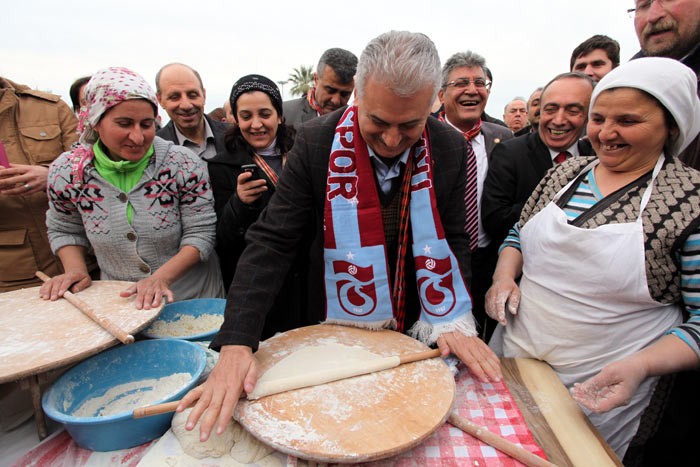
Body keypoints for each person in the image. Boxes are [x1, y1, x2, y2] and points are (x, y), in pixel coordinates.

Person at [179, 30, 502, 441]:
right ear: (358, 98)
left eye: (410, 126)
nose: (391, 140)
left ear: (433, 103)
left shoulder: (450, 149)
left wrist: (452, 317)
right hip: (336, 316)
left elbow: (454, 238)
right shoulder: (317, 141)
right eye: (378, 122)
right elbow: (272, 242)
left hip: (418, 321)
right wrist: (238, 341)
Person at [485, 57, 700, 460]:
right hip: (516, 355)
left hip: (602, 385)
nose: (607, 133)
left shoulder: (689, 200)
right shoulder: (565, 175)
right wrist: (504, 276)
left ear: (671, 126)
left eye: (628, 121)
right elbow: (519, 233)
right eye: (599, 118)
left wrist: (642, 366)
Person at [40, 67, 224, 309]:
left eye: (146, 124)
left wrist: (160, 278)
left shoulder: (182, 164)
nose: (137, 137)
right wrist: (76, 269)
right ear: (95, 121)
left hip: (194, 299)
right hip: (121, 304)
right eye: (124, 124)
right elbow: (65, 228)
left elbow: (201, 232)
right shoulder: (68, 173)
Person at [208, 75, 305, 339]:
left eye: (265, 114)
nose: (256, 124)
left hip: (306, 280)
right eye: (246, 116)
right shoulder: (221, 166)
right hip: (260, 287)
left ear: (279, 116)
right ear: (236, 119)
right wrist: (238, 204)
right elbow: (221, 240)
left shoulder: (302, 154)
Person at [437, 50, 513, 341]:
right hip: (438, 261)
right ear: (442, 94)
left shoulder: (505, 139)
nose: (472, 90)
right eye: (461, 83)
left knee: (481, 334)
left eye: (479, 83)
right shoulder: (422, 138)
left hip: (487, 260)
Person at [481, 73, 594, 251]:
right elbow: (495, 219)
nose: (558, 120)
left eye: (572, 111)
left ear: (589, 116)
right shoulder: (510, 153)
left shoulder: (596, 157)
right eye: (550, 109)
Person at [0, 76, 83, 293]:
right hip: (15, 275)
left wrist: (52, 175)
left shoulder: (50, 108)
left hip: (84, 259)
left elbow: (91, 165)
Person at [155, 63, 229, 161]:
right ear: (160, 100)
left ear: (204, 95)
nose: (186, 105)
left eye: (192, 95)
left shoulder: (234, 136)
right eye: (174, 97)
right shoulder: (154, 150)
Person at [283, 48, 358, 128]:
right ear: (316, 79)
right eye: (330, 90)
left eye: (344, 94)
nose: (336, 101)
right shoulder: (285, 114)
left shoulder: (357, 123)